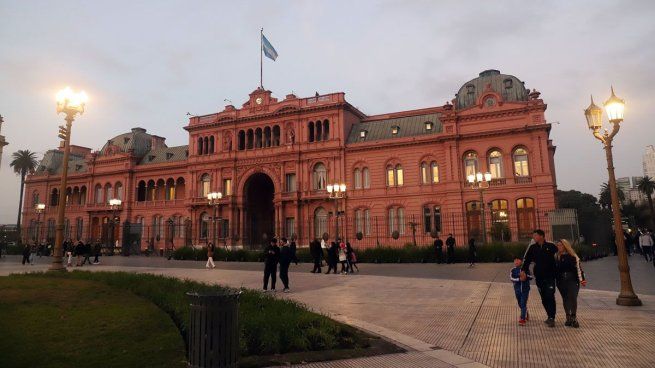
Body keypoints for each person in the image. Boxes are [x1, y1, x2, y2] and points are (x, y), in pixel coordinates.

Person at [521, 229, 558, 327]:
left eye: (535, 235)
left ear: (541, 236)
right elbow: (527, 260)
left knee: (550, 295)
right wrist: (523, 271)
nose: (534, 237)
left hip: (550, 277)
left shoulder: (551, 246)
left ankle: (551, 317)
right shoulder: (533, 248)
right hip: (539, 277)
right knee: (544, 298)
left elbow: (559, 256)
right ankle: (549, 316)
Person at [555, 239, 587, 328]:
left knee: (573, 297)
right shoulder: (556, 256)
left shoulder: (573, 256)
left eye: (561, 245)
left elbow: (579, 268)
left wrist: (582, 279)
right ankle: (568, 317)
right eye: (558, 245)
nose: (559, 247)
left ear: (565, 246)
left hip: (573, 279)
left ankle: (574, 317)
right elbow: (554, 270)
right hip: (561, 281)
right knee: (565, 299)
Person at [510, 256, 532, 326]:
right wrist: (519, 279)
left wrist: (525, 276)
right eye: (515, 260)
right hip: (517, 290)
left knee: (523, 303)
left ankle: (522, 318)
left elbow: (531, 277)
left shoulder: (525, 269)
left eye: (518, 260)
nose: (516, 261)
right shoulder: (513, 270)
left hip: (525, 290)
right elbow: (511, 278)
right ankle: (525, 312)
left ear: (521, 261)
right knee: (520, 303)